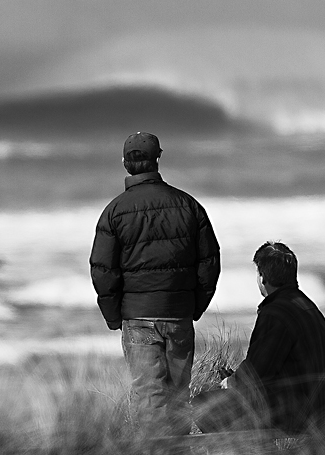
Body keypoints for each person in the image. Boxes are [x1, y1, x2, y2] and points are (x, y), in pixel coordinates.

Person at [90, 132, 221, 436]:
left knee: (149, 398)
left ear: (125, 163)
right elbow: (209, 263)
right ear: (158, 159)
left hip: (137, 317)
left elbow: (102, 270)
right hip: (178, 314)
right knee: (177, 399)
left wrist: (114, 316)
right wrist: (194, 306)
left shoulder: (114, 211)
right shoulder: (189, 205)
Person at [195, 241, 325, 435]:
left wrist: (232, 382)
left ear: (262, 277)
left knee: (203, 405)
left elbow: (258, 373)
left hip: (290, 417)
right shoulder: (308, 307)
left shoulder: (276, 313)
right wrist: (237, 378)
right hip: (317, 412)